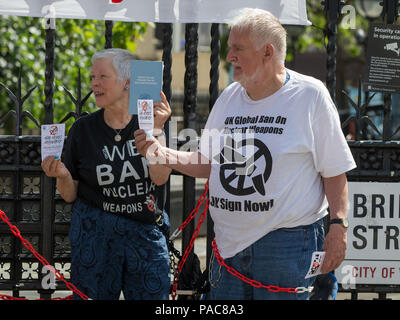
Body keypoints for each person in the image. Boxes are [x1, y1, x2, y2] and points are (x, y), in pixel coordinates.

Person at [134, 8, 356, 300]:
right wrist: (161, 152)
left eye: (238, 49)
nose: (229, 57)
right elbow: (206, 162)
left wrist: (339, 228)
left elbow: (334, 170)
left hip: (287, 245)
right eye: (229, 49)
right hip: (228, 246)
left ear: (267, 52)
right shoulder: (228, 97)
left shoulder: (309, 96)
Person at [41, 48, 172, 300]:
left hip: (144, 235)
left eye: (102, 76)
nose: (94, 84)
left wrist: (156, 130)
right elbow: (69, 195)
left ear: (127, 82)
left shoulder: (152, 123)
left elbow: (160, 178)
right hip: (95, 238)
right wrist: (61, 175)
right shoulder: (83, 129)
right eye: (92, 77)